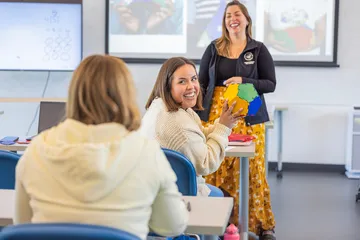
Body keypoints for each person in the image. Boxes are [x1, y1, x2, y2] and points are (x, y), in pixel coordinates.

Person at [14, 55, 188, 240]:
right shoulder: (146, 153)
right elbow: (172, 226)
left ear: (74, 94)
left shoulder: (36, 150)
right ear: (126, 97)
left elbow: (22, 223)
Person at [197, 1, 277, 239]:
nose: (233, 18)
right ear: (224, 22)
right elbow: (201, 83)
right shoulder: (213, 48)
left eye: (237, 14)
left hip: (250, 116)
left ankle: (259, 226)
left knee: (252, 171)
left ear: (246, 19)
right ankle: (217, 224)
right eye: (228, 15)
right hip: (217, 116)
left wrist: (244, 81)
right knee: (216, 166)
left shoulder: (259, 49)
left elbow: (270, 84)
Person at [140, 57, 242, 197]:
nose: (191, 86)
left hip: (155, 187)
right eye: (182, 81)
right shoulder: (178, 123)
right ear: (167, 85)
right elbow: (206, 163)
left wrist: (224, 122)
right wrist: (223, 128)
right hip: (177, 193)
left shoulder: (162, 105)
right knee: (220, 195)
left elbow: (197, 135)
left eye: (194, 79)